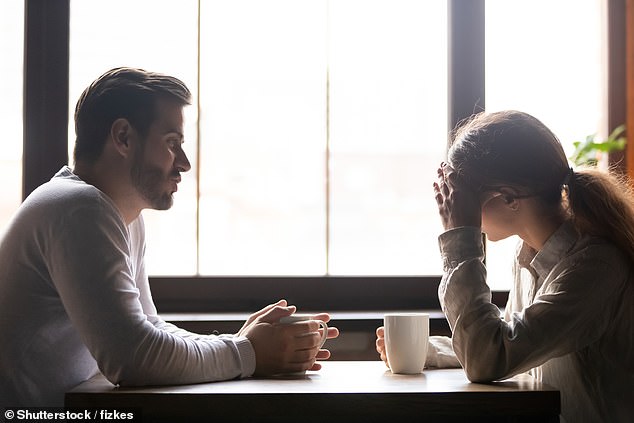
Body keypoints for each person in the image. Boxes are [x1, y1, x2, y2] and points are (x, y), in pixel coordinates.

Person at [0, 67, 338, 407]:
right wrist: (247, 352)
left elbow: (147, 328)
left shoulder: (117, 215)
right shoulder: (78, 209)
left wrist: (243, 342)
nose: (185, 163)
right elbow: (133, 359)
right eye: (171, 143)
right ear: (123, 138)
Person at [376, 110, 634, 422]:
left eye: (462, 195)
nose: (453, 205)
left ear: (509, 197)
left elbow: (489, 359)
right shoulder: (528, 254)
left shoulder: (594, 268)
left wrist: (460, 240)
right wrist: (427, 351)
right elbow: (511, 343)